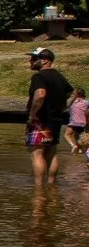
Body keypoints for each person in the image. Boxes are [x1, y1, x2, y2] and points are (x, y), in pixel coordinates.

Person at [25, 47, 72, 185]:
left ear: (45, 60)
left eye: (34, 58)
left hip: (40, 122)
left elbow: (40, 94)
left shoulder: (39, 76)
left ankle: (39, 188)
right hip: (55, 121)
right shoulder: (59, 76)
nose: (30, 61)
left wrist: (33, 114)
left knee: (37, 154)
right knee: (52, 153)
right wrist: (63, 107)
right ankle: (51, 185)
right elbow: (73, 93)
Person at [67, 86, 86, 155]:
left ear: (77, 94)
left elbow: (67, 106)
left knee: (67, 135)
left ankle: (73, 146)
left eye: (73, 93)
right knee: (78, 136)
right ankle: (80, 149)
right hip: (83, 123)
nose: (72, 94)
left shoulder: (72, 101)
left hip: (74, 122)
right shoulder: (86, 102)